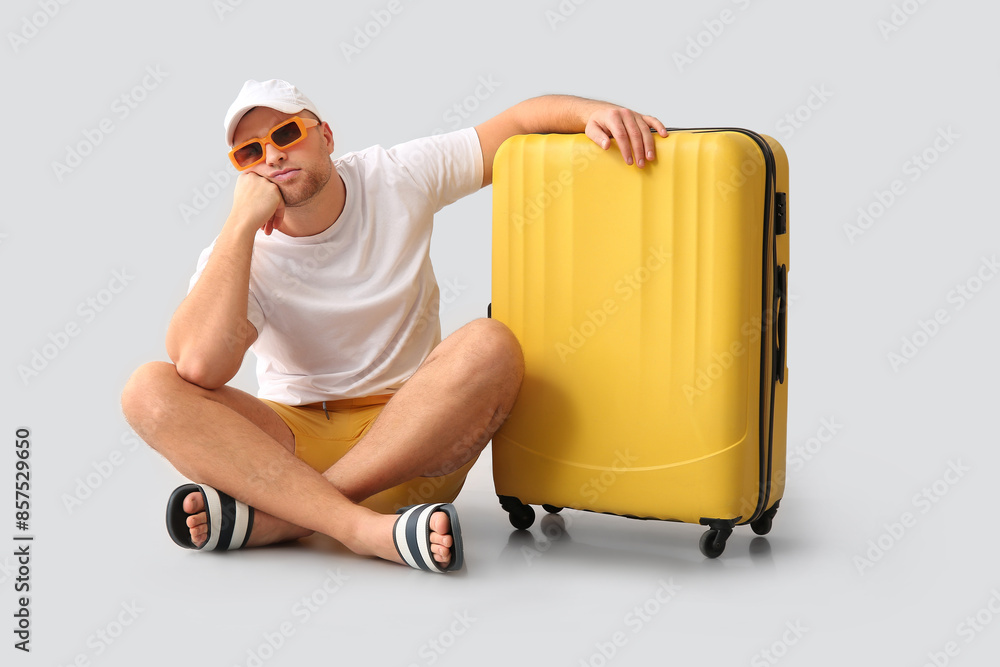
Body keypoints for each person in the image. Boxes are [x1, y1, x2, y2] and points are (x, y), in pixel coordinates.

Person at [120, 79, 667, 573]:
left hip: (412, 437)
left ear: (326, 134)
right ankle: (360, 527)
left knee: (490, 342)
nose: (273, 154)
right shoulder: (238, 254)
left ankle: (285, 518)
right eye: (250, 152)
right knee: (148, 388)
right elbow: (198, 367)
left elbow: (521, 124)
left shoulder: (395, 175)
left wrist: (597, 110)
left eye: (286, 131)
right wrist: (239, 225)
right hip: (291, 440)